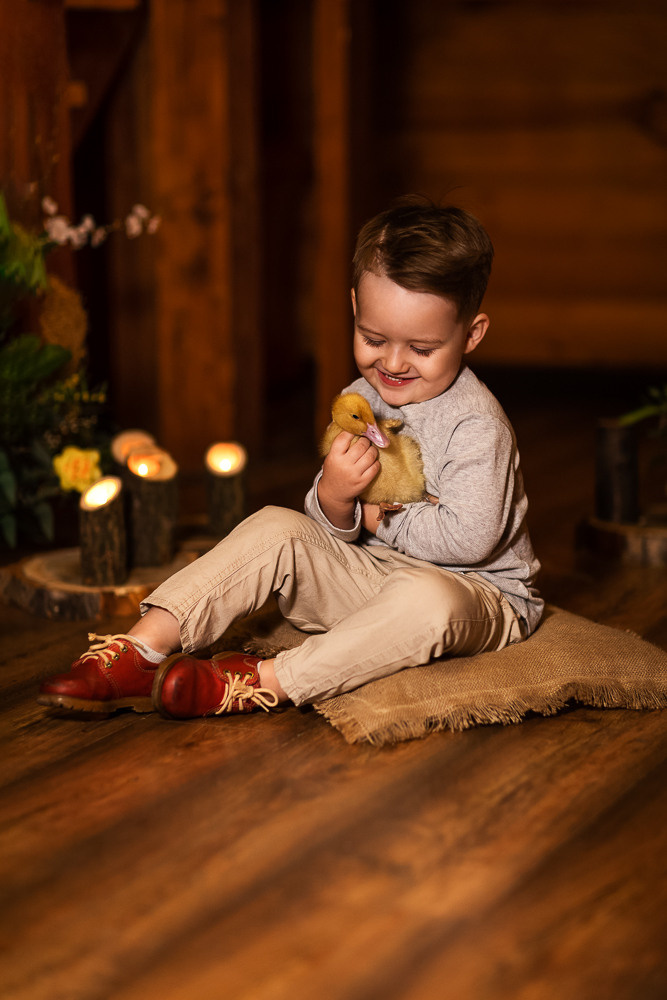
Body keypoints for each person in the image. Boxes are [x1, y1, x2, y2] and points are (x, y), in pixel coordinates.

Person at [38, 198, 543, 720]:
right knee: (275, 526)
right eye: (373, 339)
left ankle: (261, 681)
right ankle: (140, 651)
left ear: (471, 334)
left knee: (426, 599)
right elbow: (332, 530)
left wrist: (375, 516)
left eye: (421, 348)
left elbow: (469, 539)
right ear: (355, 307)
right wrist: (335, 496)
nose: (392, 363)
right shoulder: (360, 398)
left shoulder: (476, 424)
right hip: (371, 579)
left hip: (473, 596)